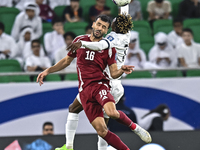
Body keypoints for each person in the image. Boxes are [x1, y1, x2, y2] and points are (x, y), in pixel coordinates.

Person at [37, 14, 151, 150]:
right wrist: (47, 71)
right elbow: (66, 61)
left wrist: (122, 70)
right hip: (85, 91)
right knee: (101, 131)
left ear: (107, 31)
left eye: (104, 27)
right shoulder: (79, 40)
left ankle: (135, 128)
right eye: (98, 25)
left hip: (100, 86)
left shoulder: (108, 47)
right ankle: (69, 147)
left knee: (112, 113)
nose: (100, 28)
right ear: (93, 24)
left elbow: (114, 73)